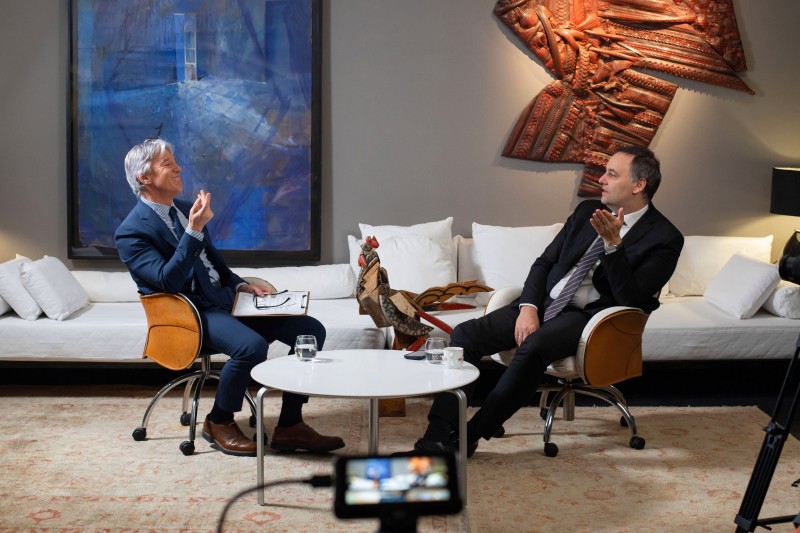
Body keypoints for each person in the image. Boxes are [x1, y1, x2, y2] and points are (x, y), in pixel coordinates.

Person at [410, 145, 684, 457]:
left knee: (535, 346)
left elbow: (630, 299)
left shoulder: (665, 238)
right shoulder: (587, 211)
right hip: (544, 303)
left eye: (611, 174)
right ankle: (437, 434)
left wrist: (613, 246)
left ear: (638, 185)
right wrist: (528, 308)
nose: (601, 180)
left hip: (589, 318)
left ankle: (471, 434)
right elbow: (544, 263)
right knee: (465, 335)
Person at [115, 138, 344, 457]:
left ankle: (291, 424)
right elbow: (168, 282)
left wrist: (240, 286)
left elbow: (213, 265)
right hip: (190, 313)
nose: (178, 168)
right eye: (167, 164)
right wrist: (193, 231)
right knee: (251, 347)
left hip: (225, 300)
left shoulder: (185, 209)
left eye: (176, 161)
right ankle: (218, 421)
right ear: (144, 177)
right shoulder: (131, 232)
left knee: (310, 331)